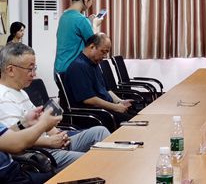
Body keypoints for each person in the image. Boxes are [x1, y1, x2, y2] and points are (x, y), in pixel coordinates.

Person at [0, 43, 110, 171]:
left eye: (34, 68)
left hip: (50, 142)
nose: (34, 74)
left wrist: (58, 134)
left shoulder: (20, 91)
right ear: (10, 70)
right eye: (30, 69)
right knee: (94, 161)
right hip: (39, 153)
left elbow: (38, 120)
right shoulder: (3, 98)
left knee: (100, 132)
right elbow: (15, 141)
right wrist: (50, 141)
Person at [63, 33, 134, 124]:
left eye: (106, 53)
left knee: (137, 116)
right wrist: (115, 107)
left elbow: (106, 90)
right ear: (92, 47)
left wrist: (120, 101)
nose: (105, 56)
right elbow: (89, 99)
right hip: (93, 114)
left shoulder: (94, 63)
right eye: (103, 52)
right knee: (133, 122)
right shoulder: (78, 67)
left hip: (104, 110)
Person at [0, 106, 62, 183]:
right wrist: (44, 123)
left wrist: (25, 122)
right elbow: (15, 144)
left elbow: (6, 137)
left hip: (13, 171)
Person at [55, 0, 104, 74]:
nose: (91, 3)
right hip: (72, 71)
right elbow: (94, 46)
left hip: (59, 70)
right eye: (91, 0)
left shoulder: (64, 16)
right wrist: (94, 25)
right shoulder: (81, 20)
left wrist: (88, 22)